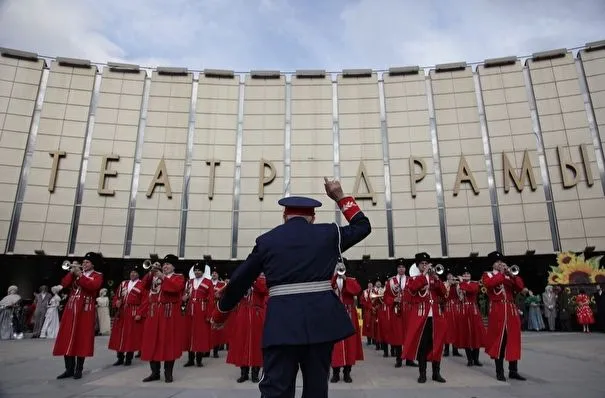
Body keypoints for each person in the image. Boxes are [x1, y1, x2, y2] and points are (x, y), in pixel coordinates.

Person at [210, 177, 371, 398]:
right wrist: (340, 196)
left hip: (282, 324)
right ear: (312, 218)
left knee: (276, 388)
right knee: (316, 389)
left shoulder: (267, 240)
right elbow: (363, 227)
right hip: (321, 324)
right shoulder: (329, 234)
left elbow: (242, 278)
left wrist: (221, 311)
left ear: (284, 216)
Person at [53, 253, 104, 380]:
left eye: (87, 262)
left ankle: (78, 369)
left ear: (93, 264)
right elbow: (64, 283)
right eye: (84, 262)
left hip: (85, 310)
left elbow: (93, 286)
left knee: (82, 338)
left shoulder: (97, 275)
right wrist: (72, 272)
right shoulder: (75, 274)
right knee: (67, 336)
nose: (84, 264)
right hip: (71, 308)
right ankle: (68, 369)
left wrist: (80, 275)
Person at [140, 254, 186, 383]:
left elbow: (176, 288)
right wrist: (150, 272)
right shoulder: (154, 276)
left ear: (173, 266)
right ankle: (155, 372)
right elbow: (143, 286)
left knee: (167, 342)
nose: (165, 266)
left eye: (168, 264)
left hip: (169, 313)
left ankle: (168, 373)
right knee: (151, 341)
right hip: (154, 312)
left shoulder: (179, 277)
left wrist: (163, 277)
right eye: (164, 264)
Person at [402, 253, 447, 384]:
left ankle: (436, 373)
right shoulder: (414, 278)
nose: (425, 265)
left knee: (437, 345)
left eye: (426, 263)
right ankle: (422, 374)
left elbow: (444, 294)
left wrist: (436, 279)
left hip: (436, 316)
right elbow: (412, 289)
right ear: (418, 266)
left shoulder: (433, 278)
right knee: (423, 346)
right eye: (422, 263)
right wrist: (424, 275)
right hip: (422, 317)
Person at [481, 251, 526, 382]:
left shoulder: (508, 275)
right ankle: (499, 371)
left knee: (513, 340)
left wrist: (511, 275)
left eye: (501, 261)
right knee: (499, 340)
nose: (500, 263)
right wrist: (501, 274)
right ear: (492, 264)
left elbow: (520, 287)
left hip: (511, 309)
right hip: (497, 309)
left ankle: (513, 371)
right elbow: (489, 284)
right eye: (497, 262)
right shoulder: (487, 275)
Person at [226, 274, 267, 383]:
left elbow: (263, 289)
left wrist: (252, 279)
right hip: (243, 313)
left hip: (256, 313)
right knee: (242, 342)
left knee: (256, 343)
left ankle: (255, 373)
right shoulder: (243, 279)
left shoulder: (262, 278)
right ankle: (244, 373)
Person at [329, 261, 363, 383]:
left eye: (342, 267)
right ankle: (335, 373)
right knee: (335, 346)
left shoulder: (351, 279)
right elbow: (328, 290)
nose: (340, 269)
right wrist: (334, 277)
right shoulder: (331, 280)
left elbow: (356, 291)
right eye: (338, 267)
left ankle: (347, 372)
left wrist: (345, 279)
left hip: (349, 315)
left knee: (350, 344)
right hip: (335, 316)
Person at [108, 266, 146, 366]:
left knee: (130, 335)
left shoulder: (142, 284)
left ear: (138, 274)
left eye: (135, 272)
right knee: (119, 335)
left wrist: (139, 313)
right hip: (122, 312)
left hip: (133, 311)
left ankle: (129, 358)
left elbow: (144, 301)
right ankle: (120, 357)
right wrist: (116, 302)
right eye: (131, 272)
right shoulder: (123, 283)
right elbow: (116, 296)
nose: (132, 274)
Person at [183, 263, 214, 368]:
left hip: (202, 309)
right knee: (189, 333)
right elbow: (186, 294)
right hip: (190, 309)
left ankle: (199, 359)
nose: (197, 272)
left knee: (200, 334)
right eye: (195, 270)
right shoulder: (190, 282)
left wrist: (209, 314)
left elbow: (211, 299)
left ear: (203, 272)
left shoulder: (208, 282)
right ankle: (190, 359)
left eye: (199, 270)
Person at [457, 267, 485, 367]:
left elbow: (471, 290)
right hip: (464, 310)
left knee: (475, 334)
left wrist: (461, 282)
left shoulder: (474, 284)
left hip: (473, 310)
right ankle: (469, 359)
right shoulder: (459, 285)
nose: (466, 276)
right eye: (464, 275)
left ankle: (476, 359)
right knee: (466, 334)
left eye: (468, 274)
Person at [443, 273, 462, 358]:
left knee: (456, 328)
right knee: (447, 329)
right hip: (447, 307)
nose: (451, 278)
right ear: (447, 278)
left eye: (452, 276)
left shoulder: (457, 284)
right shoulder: (444, 284)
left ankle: (455, 350)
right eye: (449, 276)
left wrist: (459, 283)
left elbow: (461, 296)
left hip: (456, 307)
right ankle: (446, 350)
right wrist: (449, 284)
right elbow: (443, 294)